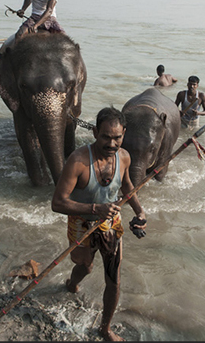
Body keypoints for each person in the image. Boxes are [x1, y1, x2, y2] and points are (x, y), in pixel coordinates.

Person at [51, 107, 147, 342]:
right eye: (106, 136)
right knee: (84, 266)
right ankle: (72, 283)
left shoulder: (124, 157)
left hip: (111, 224)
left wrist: (140, 211)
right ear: (95, 132)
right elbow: (58, 203)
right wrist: (95, 209)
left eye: (117, 137)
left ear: (124, 133)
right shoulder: (78, 161)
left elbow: (126, 185)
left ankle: (105, 329)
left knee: (114, 278)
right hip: (81, 223)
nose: (112, 143)